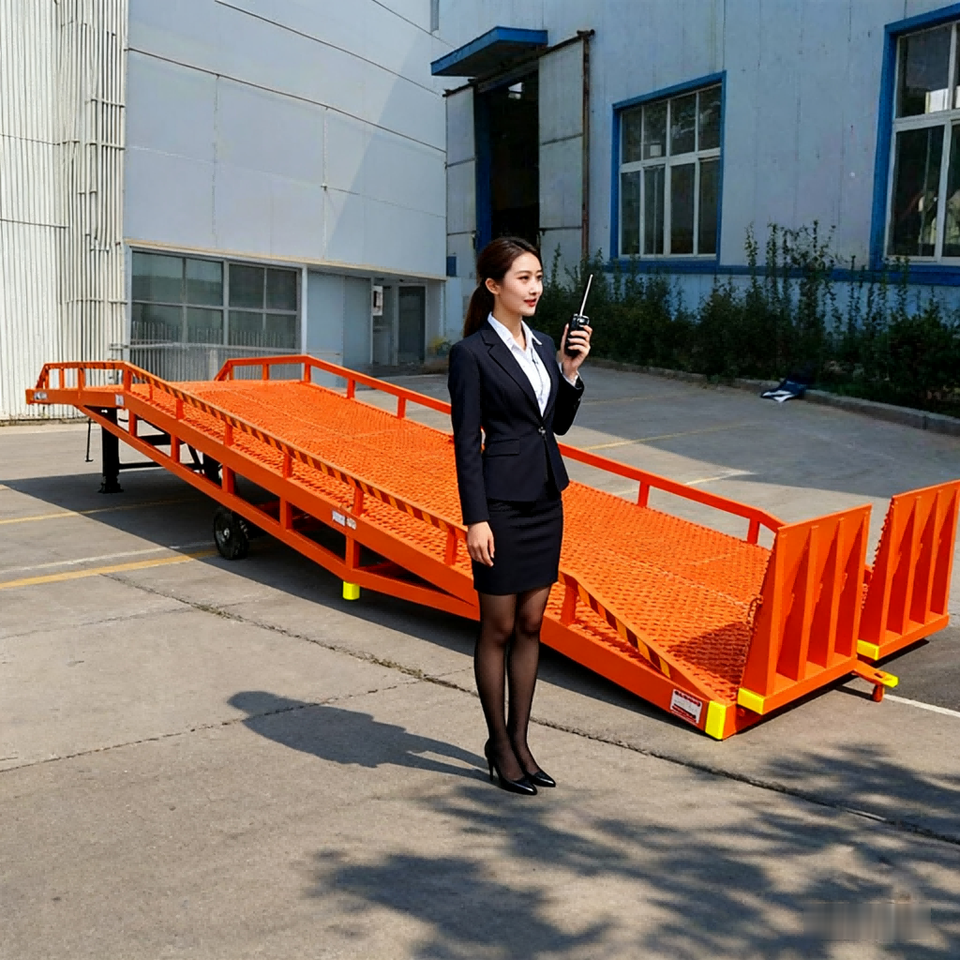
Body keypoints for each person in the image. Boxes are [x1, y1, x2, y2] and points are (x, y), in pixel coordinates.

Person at [447, 237, 591, 796]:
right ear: (494, 285)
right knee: (499, 627)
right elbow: (466, 443)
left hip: (546, 499)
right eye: (523, 278)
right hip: (501, 505)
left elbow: (554, 425)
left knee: (532, 625)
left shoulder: (545, 344)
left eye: (538, 278)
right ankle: (499, 746)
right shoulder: (471, 353)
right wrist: (476, 518)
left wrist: (569, 372)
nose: (535, 288)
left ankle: (521, 743)